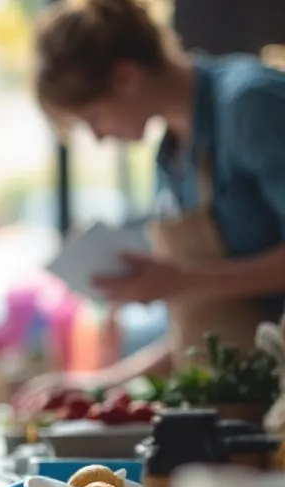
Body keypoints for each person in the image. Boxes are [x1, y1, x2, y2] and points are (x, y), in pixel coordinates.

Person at [20, 0, 285, 405]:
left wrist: (181, 280)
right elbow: (208, 325)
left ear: (125, 78)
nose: (99, 137)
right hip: (249, 402)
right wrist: (103, 384)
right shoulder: (172, 157)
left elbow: (201, 288)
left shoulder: (250, 105)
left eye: (93, 119)